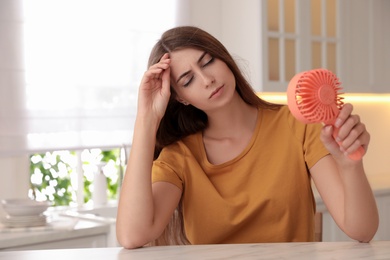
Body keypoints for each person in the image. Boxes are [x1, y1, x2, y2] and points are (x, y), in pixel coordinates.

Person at [116, 26, 379, 249]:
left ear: (224, 58)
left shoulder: (298, 127)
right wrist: (146, 120)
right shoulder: (180, 157)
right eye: (187, 80)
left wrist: (350, 165)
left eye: (208, 61)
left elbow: (362, 231)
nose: (207, 79)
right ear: (180, 98)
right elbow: (132, 235)